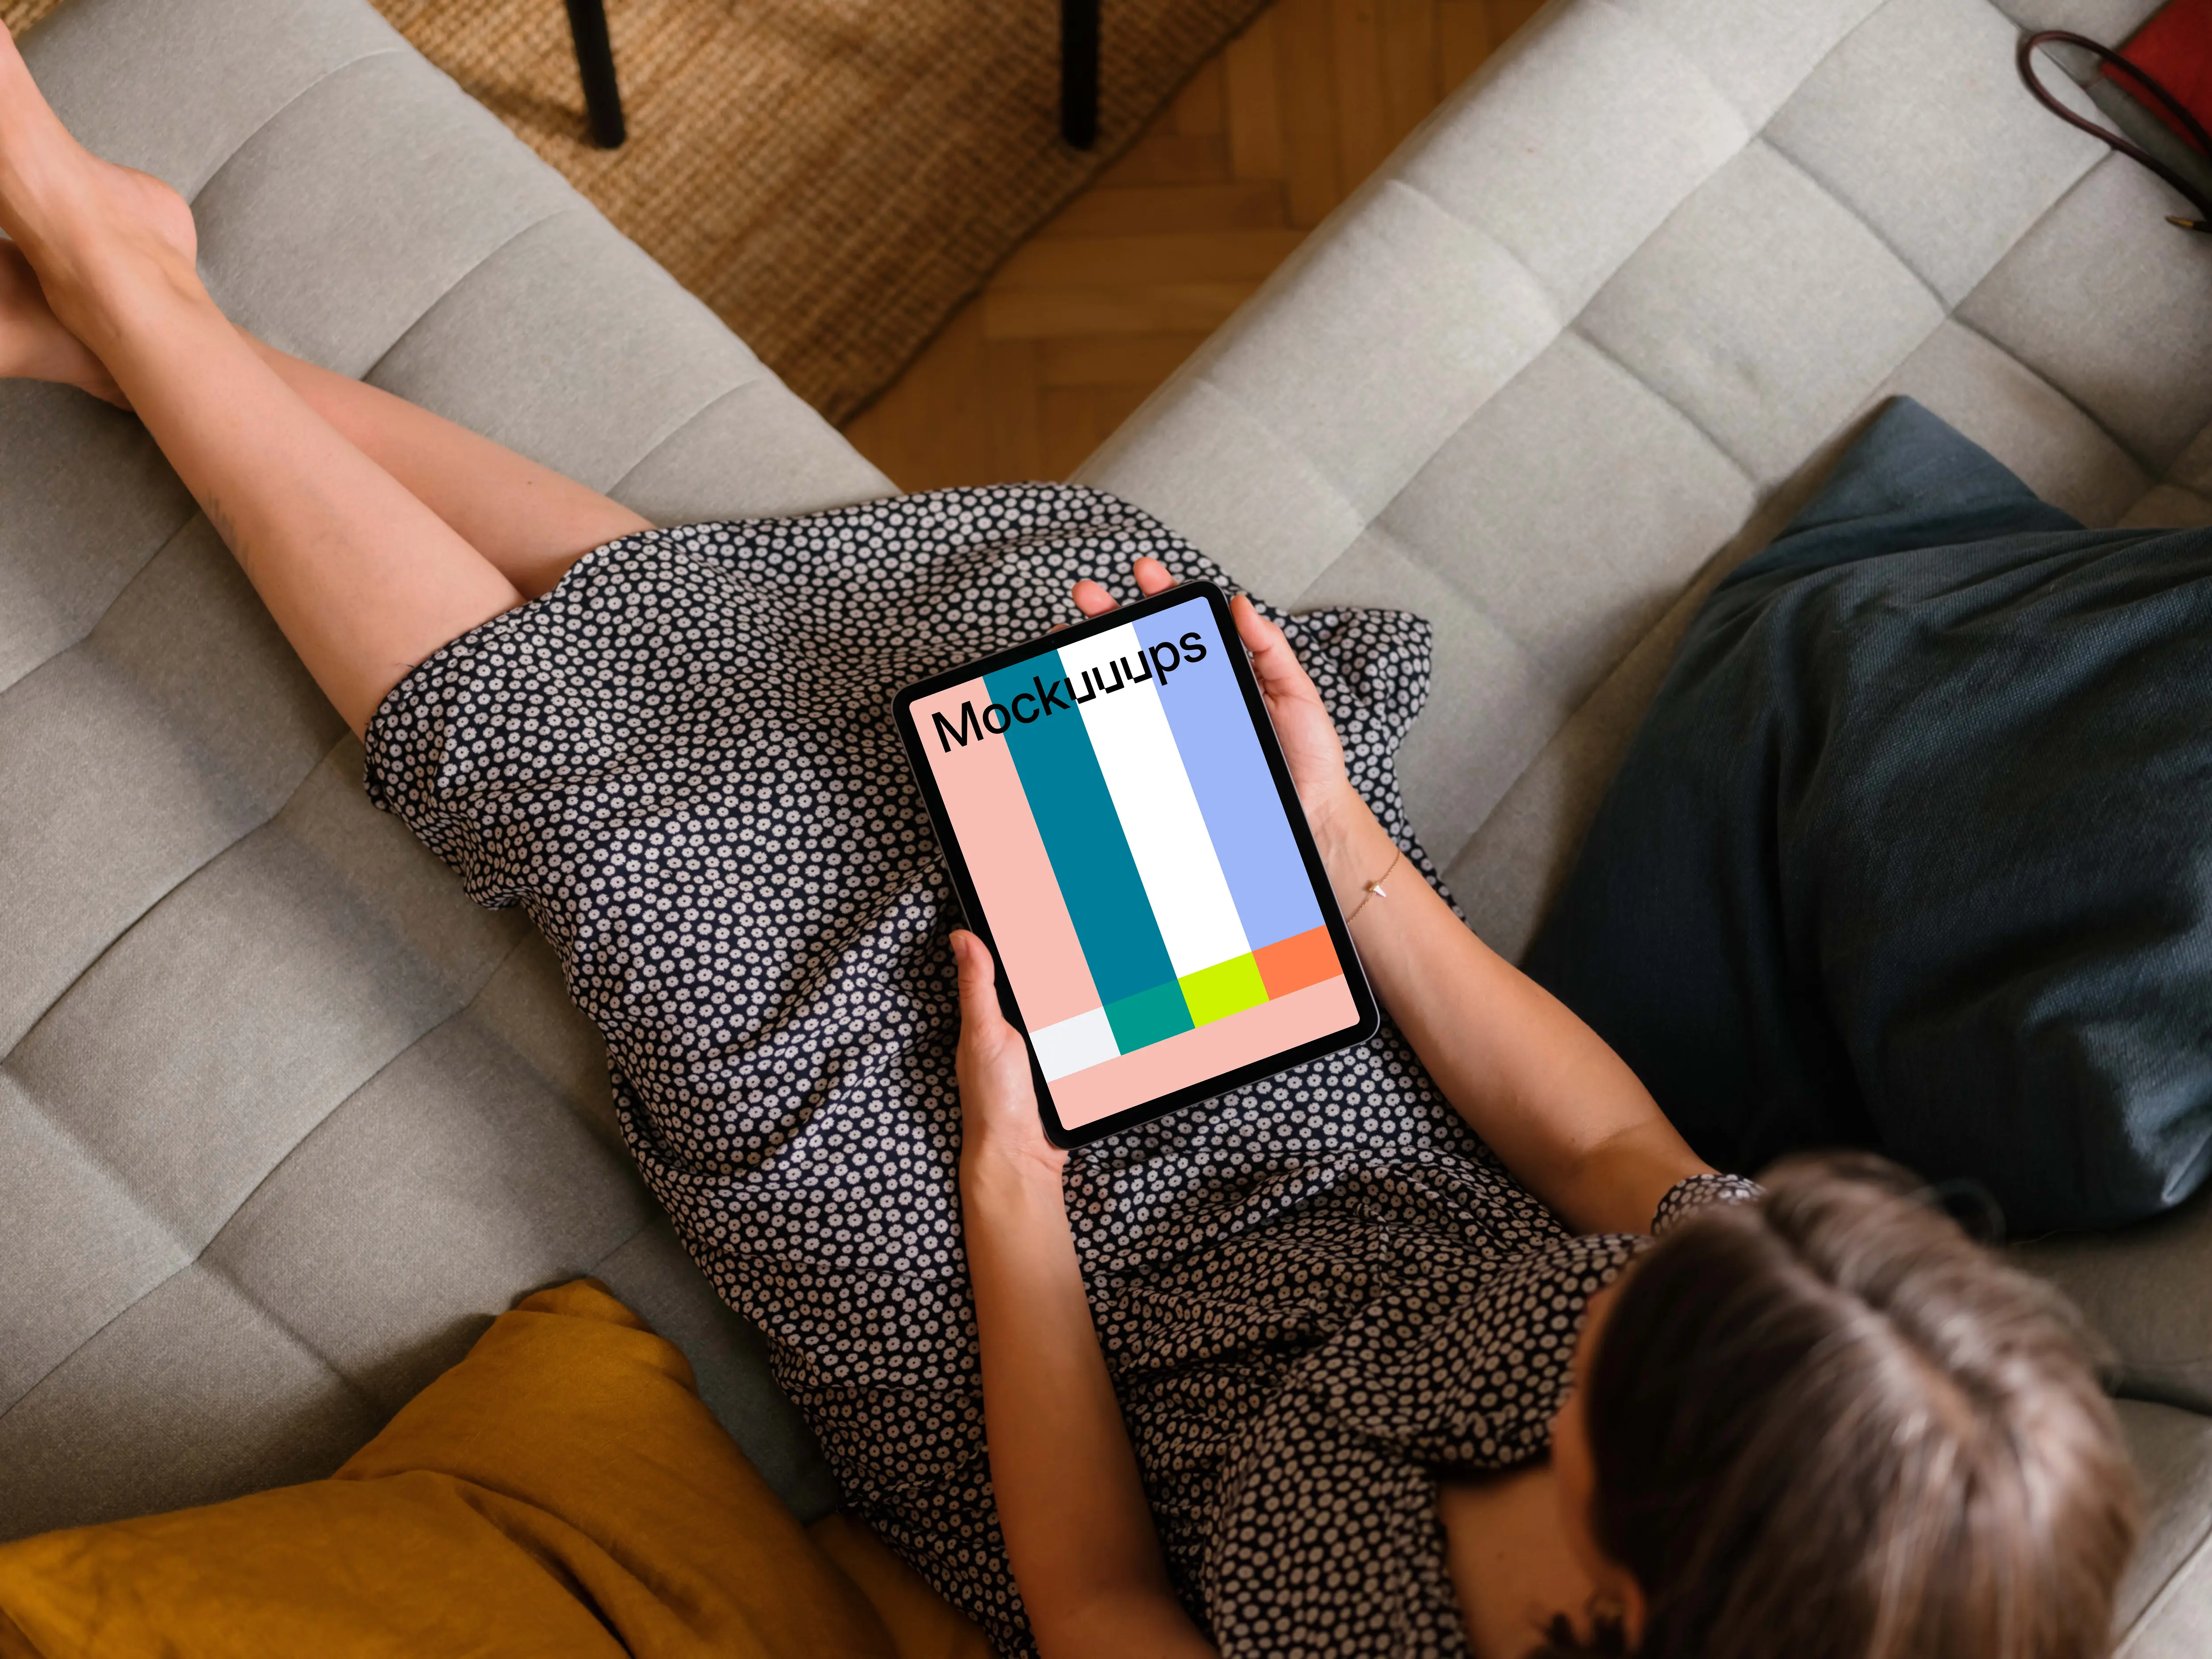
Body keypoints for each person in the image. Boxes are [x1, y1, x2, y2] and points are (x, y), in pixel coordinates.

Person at [0, 27, 2141, 1659]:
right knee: (1009, 675)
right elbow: (1595, 1144)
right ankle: (133, 323)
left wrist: (1010, 1175)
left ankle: (113, 274)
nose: (1677, 1252)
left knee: (664, 856)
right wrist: (1334, 843)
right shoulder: (1770, 1334)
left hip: (1028, 1373)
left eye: (1646, 1323)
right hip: (1318, 1136)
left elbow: (1100, 1595)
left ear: (1628, 1577)